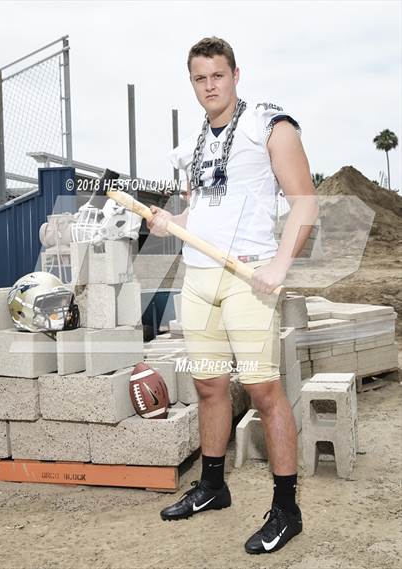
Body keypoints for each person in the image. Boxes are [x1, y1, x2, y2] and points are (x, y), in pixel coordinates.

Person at [147, 36, 319, 554]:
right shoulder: (195, 142)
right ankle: (212, 486)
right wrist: (169, 222)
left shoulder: (270, 125)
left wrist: (280, 263)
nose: (209, 86)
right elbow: (197, 215)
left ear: (235, 74)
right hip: (198, 277)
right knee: (208, 387)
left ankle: (287, 508)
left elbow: (305, 203)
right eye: (199, 78)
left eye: (217, 75)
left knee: (265, 392)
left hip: (248, 278)